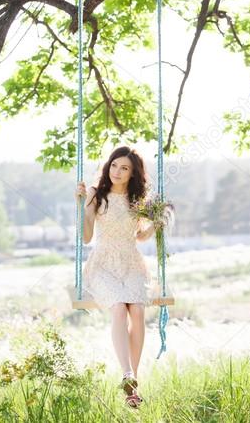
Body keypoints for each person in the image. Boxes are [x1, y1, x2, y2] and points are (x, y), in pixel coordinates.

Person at [75, 146, 158, 408]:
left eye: (124, 168)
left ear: (133, 173)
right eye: (114, 165)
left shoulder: (138, 199)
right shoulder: (95, 195)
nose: (117, 172)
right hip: (102, 264)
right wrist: (81, 208)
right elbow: (87, 237)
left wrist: (157, 221)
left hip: (132, 262)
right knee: (120, 309)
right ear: (108, 166)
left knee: (137, 311)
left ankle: (133, 383)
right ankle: (128, 374)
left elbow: (141, 236)